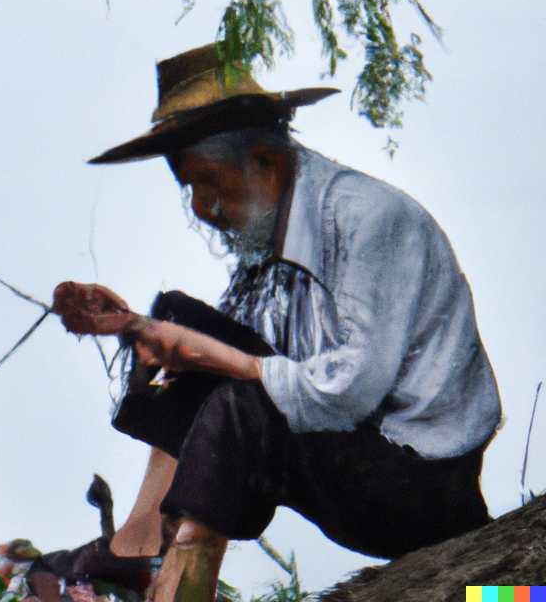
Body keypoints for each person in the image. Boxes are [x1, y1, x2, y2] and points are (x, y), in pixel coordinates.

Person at [45, 44, 501, 602]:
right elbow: (224, 346)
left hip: (422, 485)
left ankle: (178, 589)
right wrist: (136, 325)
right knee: (178, 319)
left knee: (241, 410)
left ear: (266, 161)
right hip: (356, 448)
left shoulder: (368, 218)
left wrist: (208, 354)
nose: (201, 208)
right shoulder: (277, 223)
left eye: (208, 183)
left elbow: (350, 390)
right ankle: (138, 549)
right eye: (189, 189)